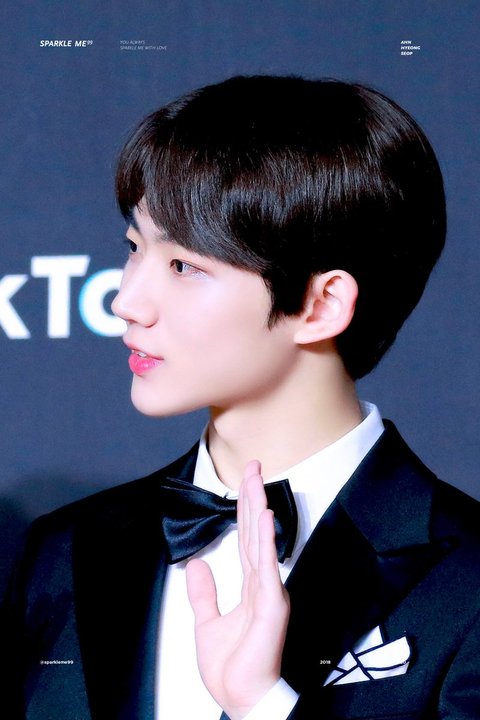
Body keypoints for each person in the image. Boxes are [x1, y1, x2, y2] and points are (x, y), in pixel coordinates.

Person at [2, 75, 480, 720]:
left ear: (321, 305)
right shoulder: (67, 548)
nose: (125, 301)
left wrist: (264, 705)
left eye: (185, 266)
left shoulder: (468, 579)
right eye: (135, 248)